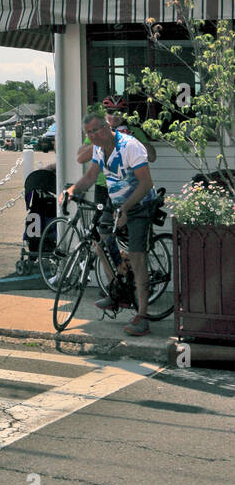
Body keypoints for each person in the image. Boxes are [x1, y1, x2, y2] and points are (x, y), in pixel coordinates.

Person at [63, 111, 159, 335]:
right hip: (116, 204)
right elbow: (90, 176)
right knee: (101, 242)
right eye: (88, 133)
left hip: (140, 205)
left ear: (107, 128)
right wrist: (71, 190)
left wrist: (125, 209)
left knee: (137, 256)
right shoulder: (98, 148)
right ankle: (119, 291)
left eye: (96, 130)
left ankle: (142, 315)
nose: (93, 135)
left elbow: (146, 183)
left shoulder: (129, 146)